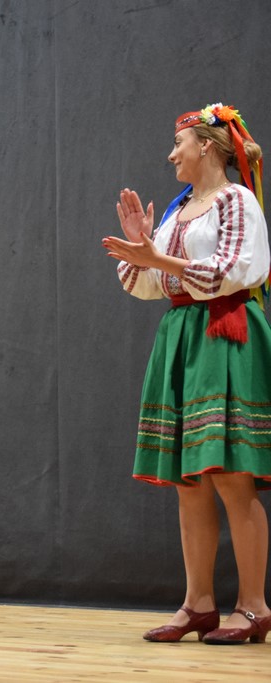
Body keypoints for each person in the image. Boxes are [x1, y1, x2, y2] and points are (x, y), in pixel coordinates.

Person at [102, 103, 271, 645]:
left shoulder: (236, 201)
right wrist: (143, 250)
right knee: (189, 481)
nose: (172, 154)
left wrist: (159, 260)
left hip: (224, 331)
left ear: (207, 146)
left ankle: (253, 607)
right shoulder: (179, 211)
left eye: (180, 144)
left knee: (230, 475)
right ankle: (198, 604)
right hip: (182, 335)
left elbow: (232, 272)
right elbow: (147, 285)